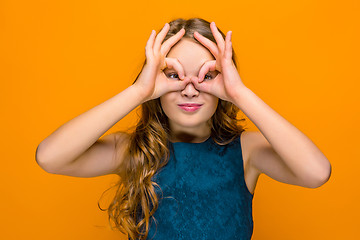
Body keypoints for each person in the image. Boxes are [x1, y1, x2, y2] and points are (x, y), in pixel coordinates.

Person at [35, 17, 332, 240]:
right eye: (174, 75)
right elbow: (50, 157)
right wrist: (139, 91)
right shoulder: (132, 151)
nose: (189, 90)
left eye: (207, 75)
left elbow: (316, 172)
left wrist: (240, 93)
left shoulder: (247, 151)